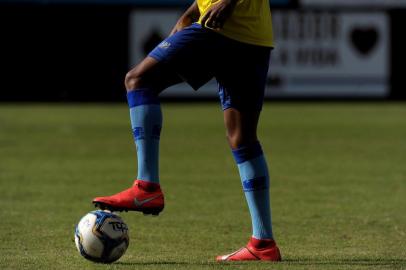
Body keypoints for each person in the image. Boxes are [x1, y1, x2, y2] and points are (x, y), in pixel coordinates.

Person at [93, 0, 281, 262]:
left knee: (138, 80)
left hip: (220, 29)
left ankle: (146, 187)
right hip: (254, 38)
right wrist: (191, 13)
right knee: (242, 139)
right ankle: (263, 243)